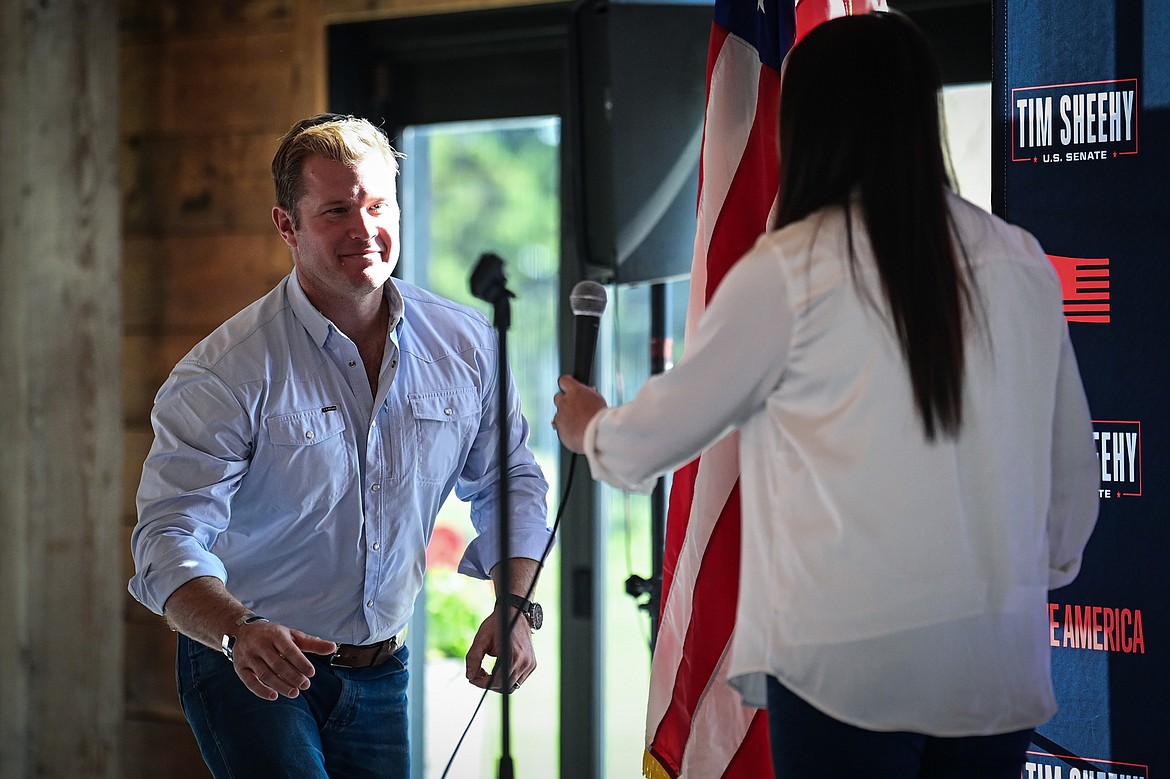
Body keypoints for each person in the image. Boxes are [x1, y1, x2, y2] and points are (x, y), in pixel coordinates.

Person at [552, 11, 1098, 779]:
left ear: (803, 124)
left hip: (844, 676)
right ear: (920, 112)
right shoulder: (1020, 260)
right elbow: (1071, 485)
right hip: (993, 672)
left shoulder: (790, 268)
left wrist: (591, 427)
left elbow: (655, 441)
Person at [129, 113, 551, 778]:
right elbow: (166, 538)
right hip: (249, 663)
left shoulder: (466, 345)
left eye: (377, 205)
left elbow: (509, 480)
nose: (363, 229)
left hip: (384, 669)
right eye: (335, 210)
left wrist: (515, 602)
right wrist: (237, 629)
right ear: (286, 226)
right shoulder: (226, 371)